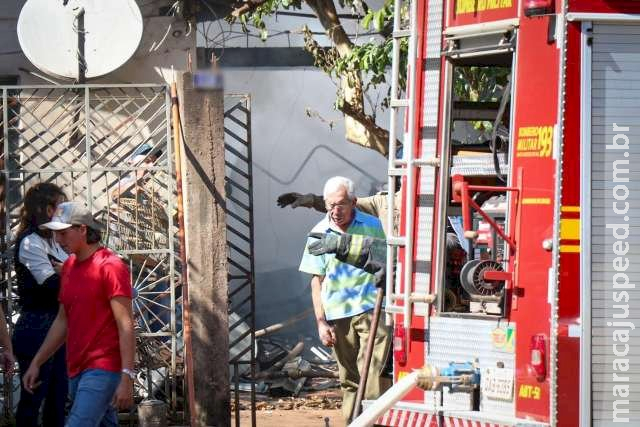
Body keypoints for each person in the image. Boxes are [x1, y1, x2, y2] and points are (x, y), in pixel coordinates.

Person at [23, 201, 136, 427]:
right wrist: (37, 361)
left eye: (64, 233)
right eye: (56, 234)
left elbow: (125, 324)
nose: (58, 241)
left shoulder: (110, 266)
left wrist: (127, 375)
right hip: (76, 368)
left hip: (104, 368)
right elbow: (62, 321)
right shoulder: (70, 267)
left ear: (83, 230)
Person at [298, 176, 391, 422]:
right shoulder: (318, 233)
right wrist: (321, 322)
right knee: (349, 379)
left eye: (340, 204)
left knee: (373, 374)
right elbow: (316, 281)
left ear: (353, 202)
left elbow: (385, 260)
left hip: (373, 306)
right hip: (338, 313)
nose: (335, 211)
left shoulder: (373, 224)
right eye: (330, 205)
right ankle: (353, 421)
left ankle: (372, 421)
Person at [13, 183, 68, 427]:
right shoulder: (30, 242)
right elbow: (51, 285)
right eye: (61, 206)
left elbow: (72, 273)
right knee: (32, 402)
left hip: (59, 327)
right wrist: (72, 274)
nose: (65, 212)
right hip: (38, 327)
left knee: (58, 400)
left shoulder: (55, 242)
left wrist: (69, 271)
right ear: (48, 210)